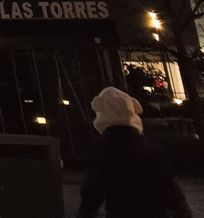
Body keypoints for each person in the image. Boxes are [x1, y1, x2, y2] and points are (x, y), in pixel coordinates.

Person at [79, 86, 192, 218]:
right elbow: (168, 185)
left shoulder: (105, 148)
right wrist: (182, 212)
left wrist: (85, 213)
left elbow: (92, 190)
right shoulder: (147, 146)